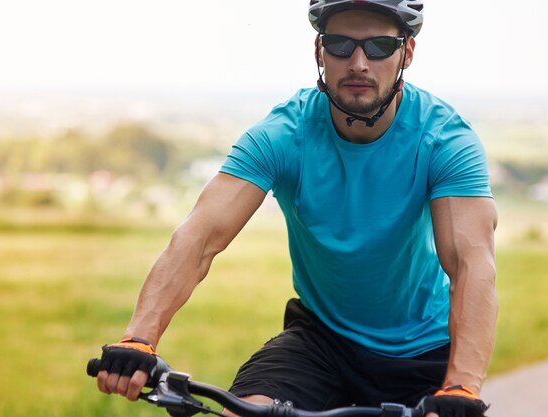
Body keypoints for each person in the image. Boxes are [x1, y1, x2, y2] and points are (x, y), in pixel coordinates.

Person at [94, 2, 498, 417]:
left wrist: (462, 385)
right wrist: (139, 339)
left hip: (423, 349)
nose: (358, 63)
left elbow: (471, 265)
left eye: (379, 46)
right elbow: (198, 239)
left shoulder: (445, 140)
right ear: (319, 50)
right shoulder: (283, 135)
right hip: (322, 339)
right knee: (246, 411)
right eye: (340, 44)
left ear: (406, 54)